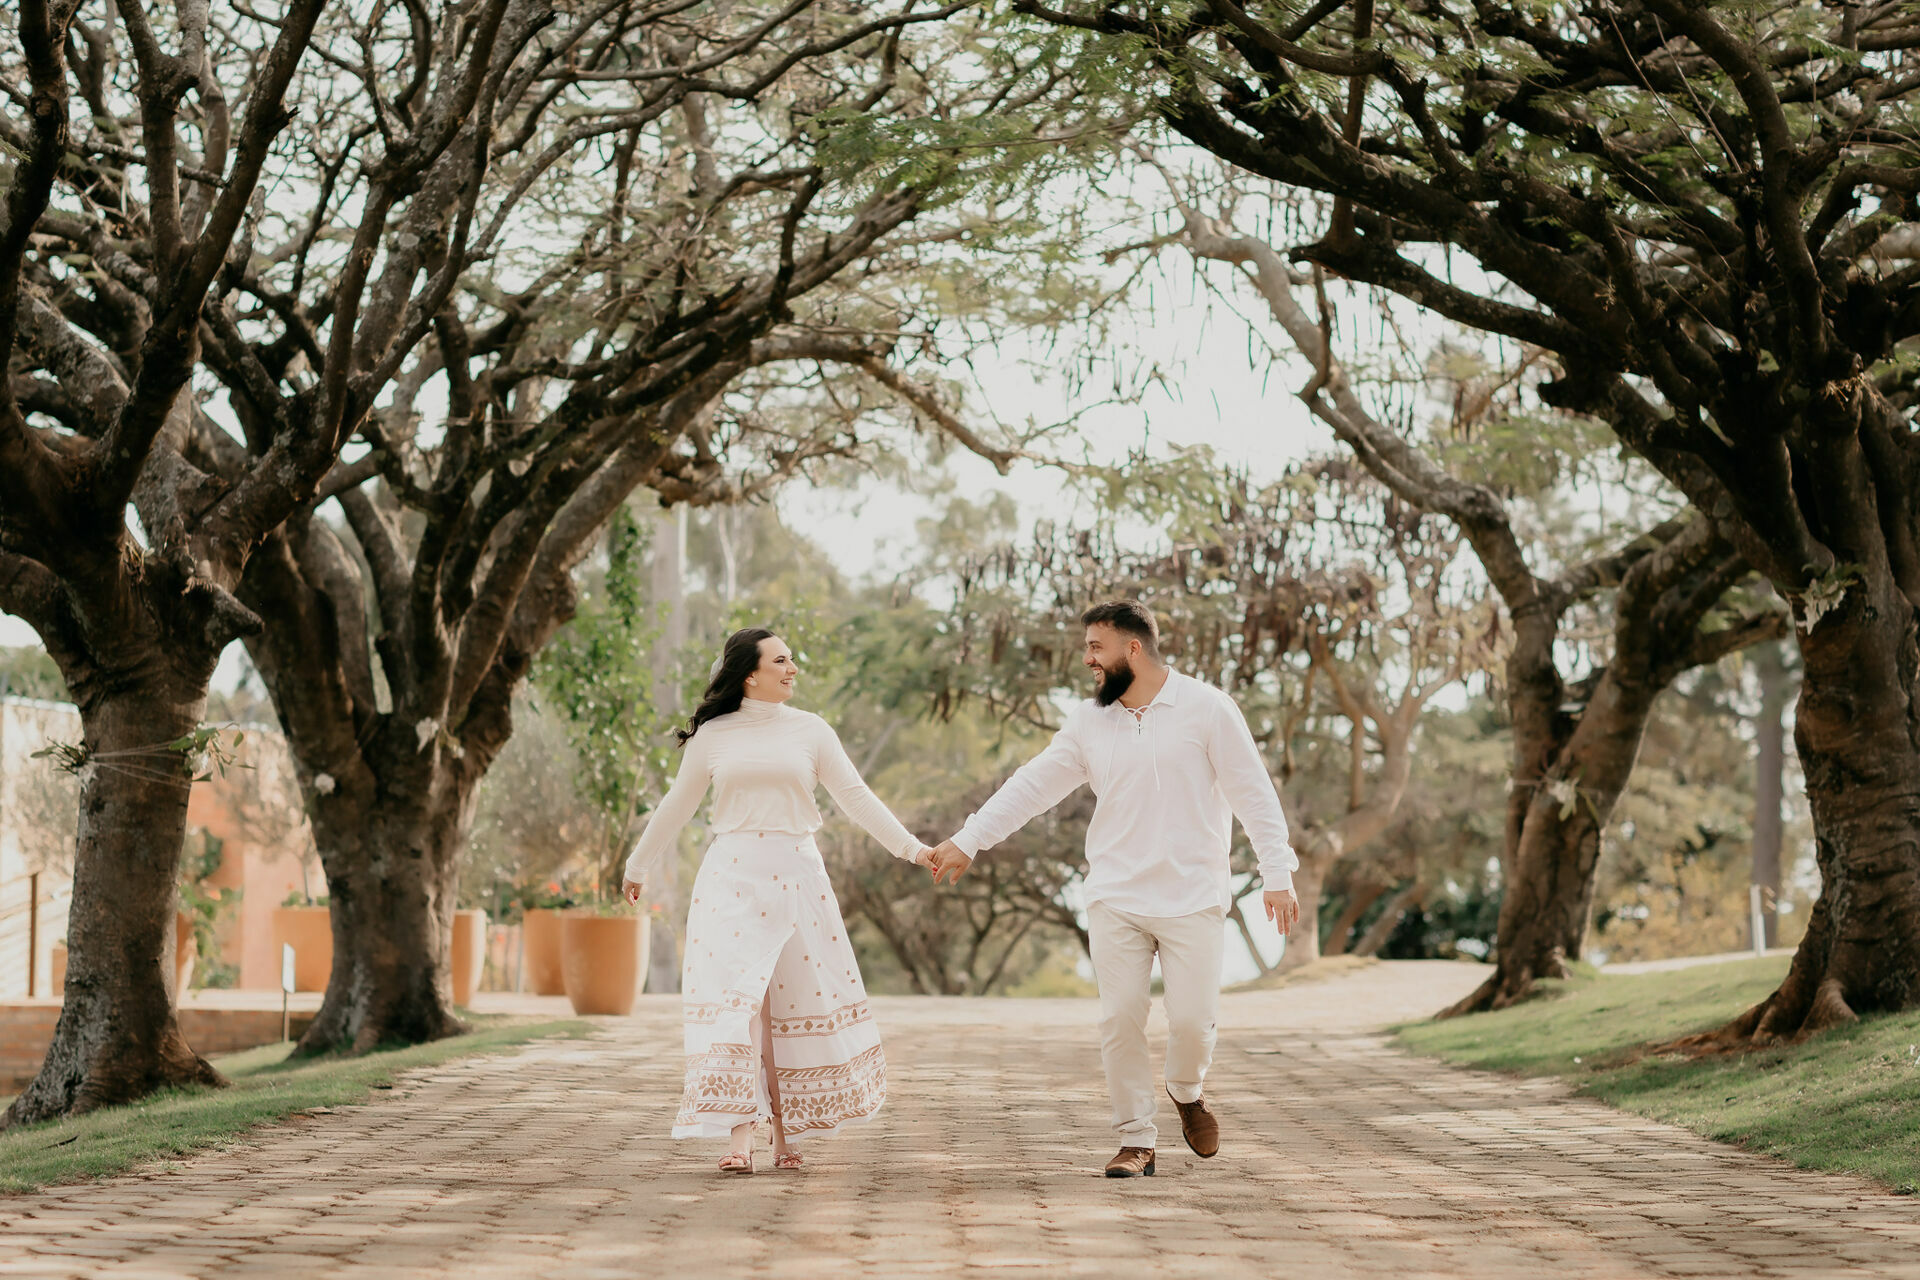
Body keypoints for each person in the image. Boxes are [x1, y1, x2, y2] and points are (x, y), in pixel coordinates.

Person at [927, 600, 1301, 1178]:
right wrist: (970, 838)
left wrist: (1276, 874)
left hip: (1194, 895)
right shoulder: (1088, 721)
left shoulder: (1207, 709)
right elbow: (1032, 785)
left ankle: (1186, 1090)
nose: (1086, 660)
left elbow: (1253, 792)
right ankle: (1135, 1138)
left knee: (1191, 1024)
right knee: (1120, 1016)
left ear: (1134, 648)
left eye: (1096, 647)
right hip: (1115, 895)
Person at [621, 627, 933, 1174]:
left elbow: (855, 797)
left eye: (792, 661)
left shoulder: (811, 731)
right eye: (782, 661)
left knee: (785, 1008)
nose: (793, 669)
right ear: (750, 674)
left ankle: (786, 1137)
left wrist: (911, 849)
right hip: (731, 879)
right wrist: (637, 864)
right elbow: (677, 804)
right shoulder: (713, 737)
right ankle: (739, 1137)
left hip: (796, 877)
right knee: (739, 1005)